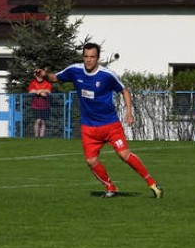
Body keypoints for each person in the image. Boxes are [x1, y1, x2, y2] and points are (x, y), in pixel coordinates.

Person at [34, 43, 163, 198]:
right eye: (86, 56)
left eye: (92, 57)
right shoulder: (74, 70)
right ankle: (110, 188)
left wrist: (129, 112)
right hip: (89, 128)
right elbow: (54, 78)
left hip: (110, 125)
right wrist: (45, 75)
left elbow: (124, 90)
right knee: (91, 161)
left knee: (124, 155)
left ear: (98, 58)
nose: (88, 60)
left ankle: (152, 184)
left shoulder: (107, 75)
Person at [28, 71, 52, 138]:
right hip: (35, 105)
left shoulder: (47, 83)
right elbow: (30, 91)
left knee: (43, 121)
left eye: (38, 75)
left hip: (45, 105)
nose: (37, 76)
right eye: (36, 75)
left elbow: (49, 91)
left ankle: (41, 136)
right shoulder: (33, 83)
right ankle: (36, 136)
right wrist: (37, 92)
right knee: (38, 120)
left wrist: (41, 91)